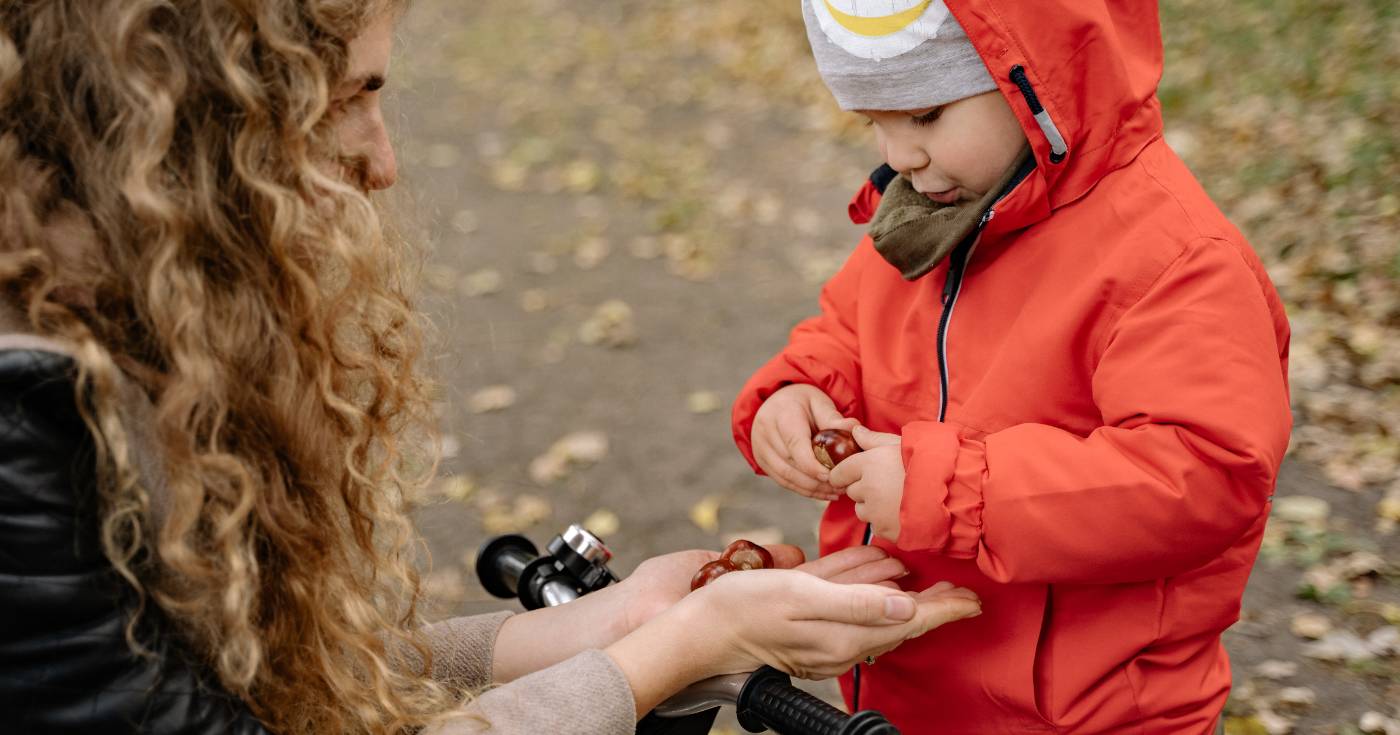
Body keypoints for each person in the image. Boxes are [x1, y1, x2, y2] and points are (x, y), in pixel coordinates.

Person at [0, 1, 984, 734]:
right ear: (189, 128)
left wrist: (595, 632)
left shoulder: (93, 329)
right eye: (347, 101)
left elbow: (254, 689)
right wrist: (672, 653)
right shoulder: (22, 436)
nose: (381, 163)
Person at [730, 1, 1292, 733]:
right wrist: (799, 389)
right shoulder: (927, 219)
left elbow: (1205, 474)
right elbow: (850, 330)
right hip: (906, 689)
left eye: (927, 115)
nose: (901, 155)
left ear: (1033, 86)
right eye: (876, 122)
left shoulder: (1171, 260)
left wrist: (953, 492)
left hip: (1094, 712)